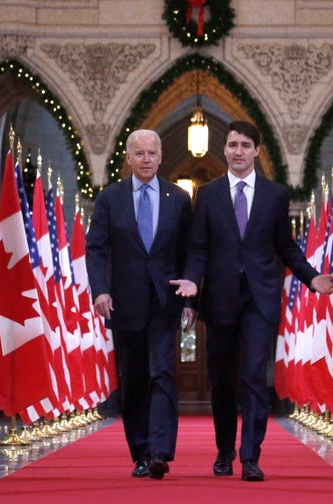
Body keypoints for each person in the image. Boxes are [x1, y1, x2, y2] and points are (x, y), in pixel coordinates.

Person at [171, 120, 333, 482]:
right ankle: (223, 451)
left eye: (245, 145)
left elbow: (286, 247)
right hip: (219, 300)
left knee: (251, 377)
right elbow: (198, 247)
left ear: (256, 151)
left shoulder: (275, 195)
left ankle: (250, 456)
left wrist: (311, 277)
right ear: (225, 149)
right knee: (223, 380)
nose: (238, 151)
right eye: (232, 145)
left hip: (259, 301)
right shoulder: (209, 194)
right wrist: (191, 281)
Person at [86, 129, 194, 480]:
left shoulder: (178, 198)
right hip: (124, 302)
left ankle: (161, 451)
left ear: (161, 157)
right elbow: (96, 248)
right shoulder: (109, 198)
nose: (146, 159)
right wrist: (100, 290)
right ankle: (141, 453)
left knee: (162, 372)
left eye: (152, 153)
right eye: (140, 153)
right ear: (128, 159)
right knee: (133, 378)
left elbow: (191, 250)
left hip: (166, 301)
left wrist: (192, 296)